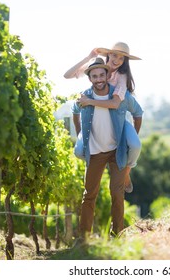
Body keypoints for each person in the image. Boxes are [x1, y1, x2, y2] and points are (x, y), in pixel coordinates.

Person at [71, 57, 143, 238]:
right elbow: (75, 112)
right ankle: (84, 238)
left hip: (116, 152)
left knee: (117, 195)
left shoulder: (120, 96)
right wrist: (82, 136)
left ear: (106, 75)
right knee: (89, 195)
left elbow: (138, 113)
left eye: (101, 75)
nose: (99, 79)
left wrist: (131, 136)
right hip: (95, 153)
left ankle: (116, 235)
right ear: (90, 78)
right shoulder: (83, 96)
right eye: (94, 76)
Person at [64, 42, 141, 193]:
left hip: (118, 119)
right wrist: (88, 57)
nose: (117, 60)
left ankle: (126, 171)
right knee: (79, 151)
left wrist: (89, 101)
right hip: (98, 120)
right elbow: (67, 75)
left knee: (135, 145)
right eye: (114, 55)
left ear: (124, 61)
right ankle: (100, 160)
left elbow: (115, 103)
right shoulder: (96, 69)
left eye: (121, 58)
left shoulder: (122, 76)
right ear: (108, 55)